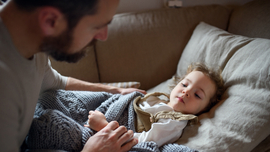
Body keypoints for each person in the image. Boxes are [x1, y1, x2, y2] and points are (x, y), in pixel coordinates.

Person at [0, 0, 147, 151]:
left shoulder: (32, 43)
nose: (103, 36)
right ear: (50, 21)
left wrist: (116, 91)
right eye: (96, 26)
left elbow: (57, 82)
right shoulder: (4, 86)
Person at [85, 63, 224, 147]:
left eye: (197, 95)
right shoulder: (157, 99)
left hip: (108, 131)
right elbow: (125, 101)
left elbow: (142, 142)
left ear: (204, 109)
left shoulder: (174, 122)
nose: (186, 91)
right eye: (184, 84)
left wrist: (104, 126)